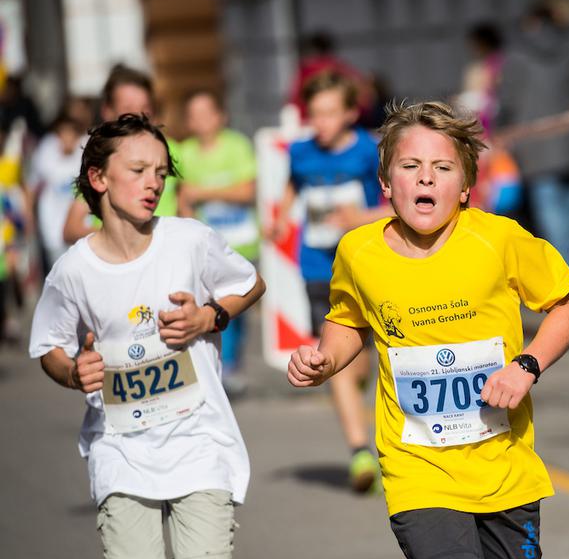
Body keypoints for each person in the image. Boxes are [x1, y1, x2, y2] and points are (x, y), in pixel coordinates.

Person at [287, 100, 569, 559]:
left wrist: (526, 366)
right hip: (417, 465)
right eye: (411, 166)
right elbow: (349, 319)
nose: (427, 177)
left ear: (467, 187)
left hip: (503, 466)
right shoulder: (360, 250)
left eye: (443, 168)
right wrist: (325, 360)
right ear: (385, 182)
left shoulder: (498, 240)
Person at [28, 113, 266, 559]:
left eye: (161, 172)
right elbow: (49, 346)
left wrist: (209, 317)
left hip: (198, 441)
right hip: (121, 449)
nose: (154, 182)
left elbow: (249, 282)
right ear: (98, 178)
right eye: (138, 170)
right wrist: (73, 372)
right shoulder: (72, 271)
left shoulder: (188, 240)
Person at [270, 71, 392, 492]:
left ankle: (364, 414)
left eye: (328, 113)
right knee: (333, 361)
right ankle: (360, 450)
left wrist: (360, 219)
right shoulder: (301, 152)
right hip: (319, 269)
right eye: (314, 114)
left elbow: (393, 204)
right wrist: (279, 217)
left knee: (361, 365)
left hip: (367, 266)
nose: (319, 122)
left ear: (349, 114)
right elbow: (293, 186)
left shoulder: (367, 150)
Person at [498, 1, 569, 270]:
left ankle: (565, 266)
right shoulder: (568, 45)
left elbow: (507, 100)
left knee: (548, 203)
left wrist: (499, 128)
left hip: (535, 141)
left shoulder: (515, 54)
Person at [177, 89, 259, 394]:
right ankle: (219, 367)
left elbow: (247, 192)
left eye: (206, 113)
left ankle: (233, 363)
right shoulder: (184, 152)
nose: (201, 120)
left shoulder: (236, 146)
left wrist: (204, 193)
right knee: (209, 305)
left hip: (241, 242)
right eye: (193, 115)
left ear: (221, 115)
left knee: (237, 307)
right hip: (206, 249)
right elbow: (183, 200)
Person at [63, 64, 180, 246]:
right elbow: (70, 229)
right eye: (128, 108)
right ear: (107, 111)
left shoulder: (171, 151)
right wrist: (123, 235)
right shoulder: (103, 159)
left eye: (145, 107)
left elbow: (189, 206)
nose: (139, 116)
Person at [26, 108, 88, 274]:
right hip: (52, 229)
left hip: (80, 230)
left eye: (71, 133)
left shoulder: (86, 151)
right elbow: (32, 185)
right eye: (63, 133)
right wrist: (29, 215)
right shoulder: (46, 151)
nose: (67, 138)